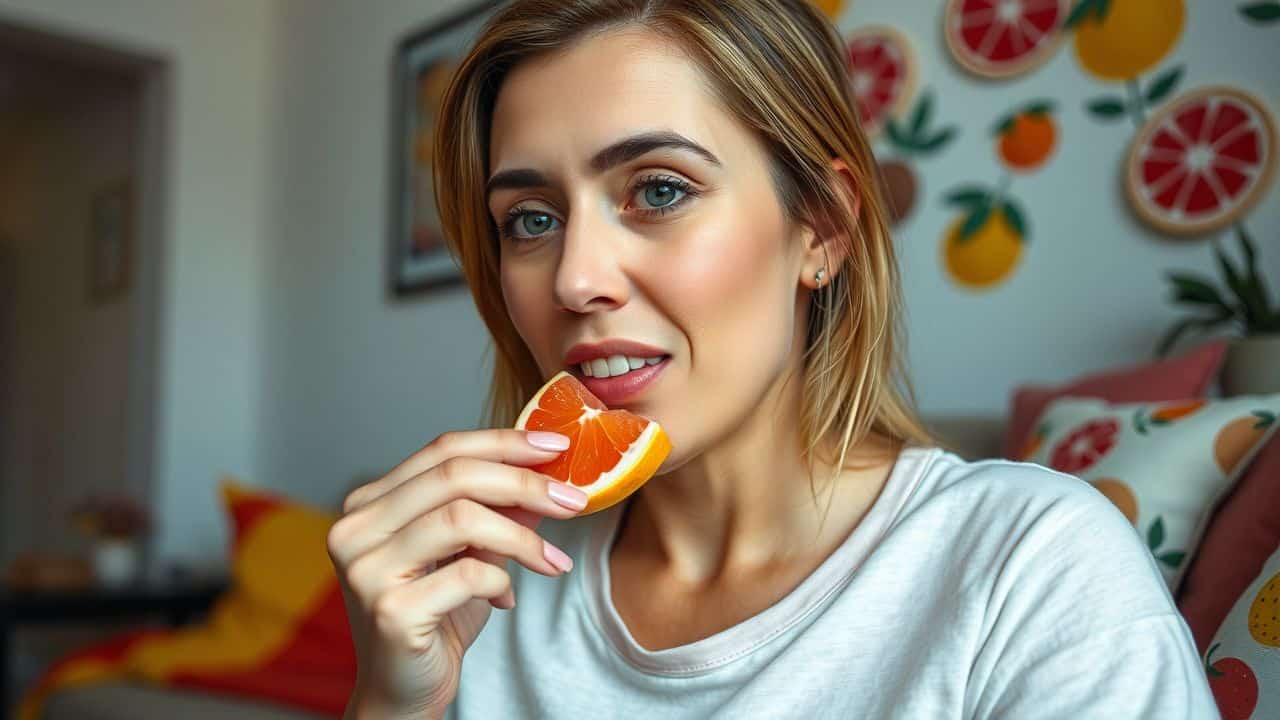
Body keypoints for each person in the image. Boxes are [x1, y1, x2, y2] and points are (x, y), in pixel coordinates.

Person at [326, 1, 1217, 717]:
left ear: (821, 229)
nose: (576, 278)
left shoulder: (1031, 569)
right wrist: (393, 706)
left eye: (659, 190)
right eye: (531, 218)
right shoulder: (486, 591)